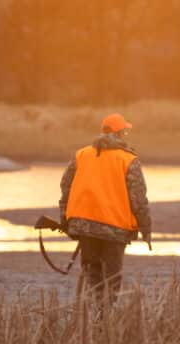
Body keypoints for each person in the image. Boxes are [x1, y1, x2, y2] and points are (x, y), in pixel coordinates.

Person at [59, 113, 152, 305]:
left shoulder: (81, 155)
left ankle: (93, 320)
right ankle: (105, 322)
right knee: (112, 279)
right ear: (121, 132)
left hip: (84, 227)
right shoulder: (128, 159)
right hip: (115, 229)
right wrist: (145, 229)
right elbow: (138, 199)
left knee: (92, 275)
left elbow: (66, 186)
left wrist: (65, 218)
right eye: (125, 131)